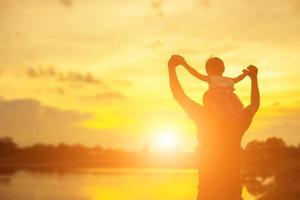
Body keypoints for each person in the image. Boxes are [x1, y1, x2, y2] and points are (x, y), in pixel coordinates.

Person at [168, 55, 260, 200]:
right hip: (234, 194)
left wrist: (171, 68)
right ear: (223, 69)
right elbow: (254, 104)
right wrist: (253, 78)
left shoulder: (205, 117)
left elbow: (178, 95)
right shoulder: (238, 121)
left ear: (207, 71)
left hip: (208, 193)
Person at [175, 56, 248, 120]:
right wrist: (245, 74)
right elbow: (238, 78)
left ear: (208, 71)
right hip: (230, 103)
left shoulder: (211, 78)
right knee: (231, 114)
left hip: (215, 102)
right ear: (223, 69)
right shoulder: (229, 80)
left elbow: (196, 74)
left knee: (210, 109)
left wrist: (185, 64)